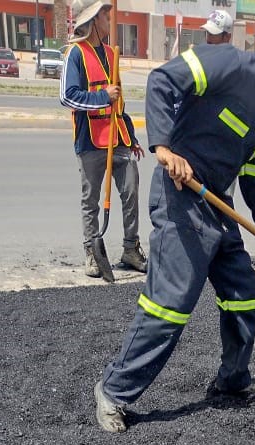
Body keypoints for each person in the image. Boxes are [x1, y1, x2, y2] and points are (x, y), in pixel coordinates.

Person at [93, 9, 255, 433]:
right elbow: (162, 81)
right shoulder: (232, 64)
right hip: (181, 196)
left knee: (242, 290)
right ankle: (114, 391)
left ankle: (232, 382)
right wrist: (163, 146)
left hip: (216, 204)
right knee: (170, 302)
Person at [59, 0, 148, 278]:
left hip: (118, 138)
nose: (109, 20)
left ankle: (130, 248)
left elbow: (119, 103)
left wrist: (131, 135)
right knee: (91, 200)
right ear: (94, 20)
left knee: (131, 191)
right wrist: (101, 97)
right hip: (90, 140)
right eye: (105, 16)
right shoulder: (76, 54)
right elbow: (67, 96)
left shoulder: (112, 53)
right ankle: (92, 252)